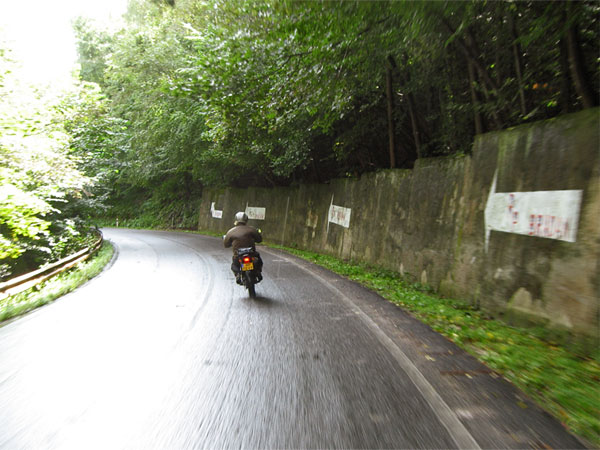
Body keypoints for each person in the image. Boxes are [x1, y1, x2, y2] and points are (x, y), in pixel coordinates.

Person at [223, 212, 263, 284]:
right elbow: (259, 240)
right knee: (258, 259)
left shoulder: (230, 232)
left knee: (234, 264)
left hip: (238, 255)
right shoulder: (252, 229)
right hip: (251, 253)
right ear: (246, 220)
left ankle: (238, 274)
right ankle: (258, 272)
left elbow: (226, 244)